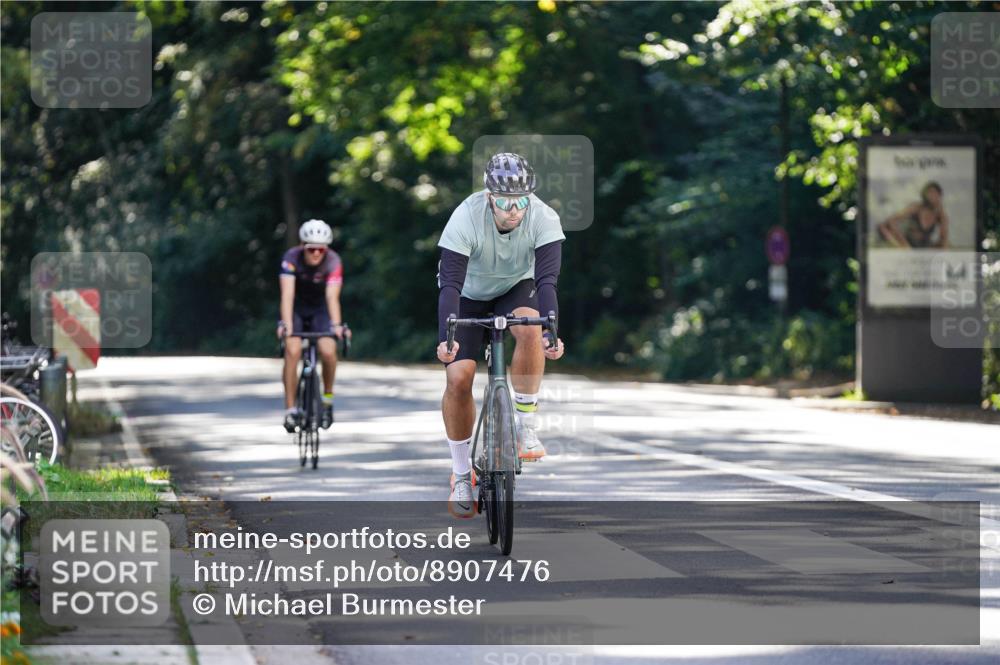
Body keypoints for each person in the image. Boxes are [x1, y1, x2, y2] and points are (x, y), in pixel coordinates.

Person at [436, 152, 566, 518]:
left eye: (522, 200)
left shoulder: (543, 218)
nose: (515, 210)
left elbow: (546, 281)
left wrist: (551, 330)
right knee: (458, 378)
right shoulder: (465, 217)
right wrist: (448, 337)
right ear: (490, 196)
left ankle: (525, 426)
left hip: (516, 287)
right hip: (467, 295)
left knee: (531, 327)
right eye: (506, 201)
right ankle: (462, 474)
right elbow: (449, 284)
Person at [277, 219, 349, 432]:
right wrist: (286, 325)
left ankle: (326, 400)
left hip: (320, 310)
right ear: (302, 246)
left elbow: (332, 297)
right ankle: (290, 410)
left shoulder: (333, 261)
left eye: (321, 249)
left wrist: (336, 326)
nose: (316, 253)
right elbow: (287, 295)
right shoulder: (291, 259)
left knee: (328, 351)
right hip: (296, 309)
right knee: (293, 350)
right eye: (311, 249)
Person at [877, 182, 950, 249]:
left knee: (944, 245)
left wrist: (942, 217)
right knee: (883, 227)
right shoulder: (916, 208)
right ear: (925, 194)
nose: (932, 196)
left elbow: (943, 240)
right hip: (906, 241)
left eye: (935, 194)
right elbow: (891, 221)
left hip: (923, 246)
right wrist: (904, 243)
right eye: (930, 193)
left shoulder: (941, 215)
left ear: (940, 196)